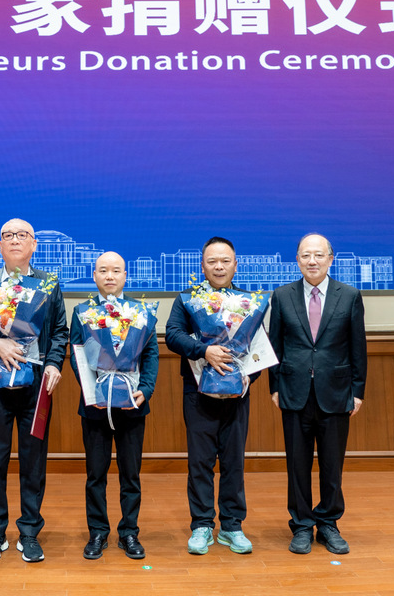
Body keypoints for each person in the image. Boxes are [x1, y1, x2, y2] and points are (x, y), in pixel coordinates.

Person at [0, 218, 68, 563]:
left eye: (22, 235)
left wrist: (54, 363)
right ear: (0, 245)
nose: (15, 240)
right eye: (7, 236)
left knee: (33, 461)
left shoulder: (49, 284)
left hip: (36, 387)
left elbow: (60, 332)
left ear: (34, 244)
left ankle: (29, 532)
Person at [267, 233, 367, 556]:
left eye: (319, 255)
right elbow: (274, 345)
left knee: (332, 465)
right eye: (306, 255)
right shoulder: (282, 296)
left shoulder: (349, 296)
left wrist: (357, 391)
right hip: (294, 391)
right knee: (297, 464)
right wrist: (274, 387)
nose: (312, 261)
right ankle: (301, 525)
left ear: (330, 259)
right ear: (297, 259)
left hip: (336, 392)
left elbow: (358, 348)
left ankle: (328, 523)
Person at [165, 236, 257, 556]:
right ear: (203, 266)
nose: (219, 267)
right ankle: (202, 524)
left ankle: (232, 526)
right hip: (198, 393)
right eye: (212, 261)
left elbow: (260, 347)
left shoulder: (250, 302)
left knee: (234, 462)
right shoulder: (188, 300)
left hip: (237, 394)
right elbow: (173, 335)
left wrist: (249, 376)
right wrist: (205, 350)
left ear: (235, 265)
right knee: (200, 462)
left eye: (225, 261)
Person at [69, 251, 159, 561]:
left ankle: (129, 531)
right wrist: (91, 391)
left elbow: (150, 354)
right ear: (94, 275)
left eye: (116, 270)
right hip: (95, 405)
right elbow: (77, 355)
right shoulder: (82, 312)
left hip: (132, 404)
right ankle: (97, 531)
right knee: (96, 473)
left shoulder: (142, 312)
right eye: (103, 270)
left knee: (130, 473)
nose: (110, 276)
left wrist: (145, 389)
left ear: (125, 276)